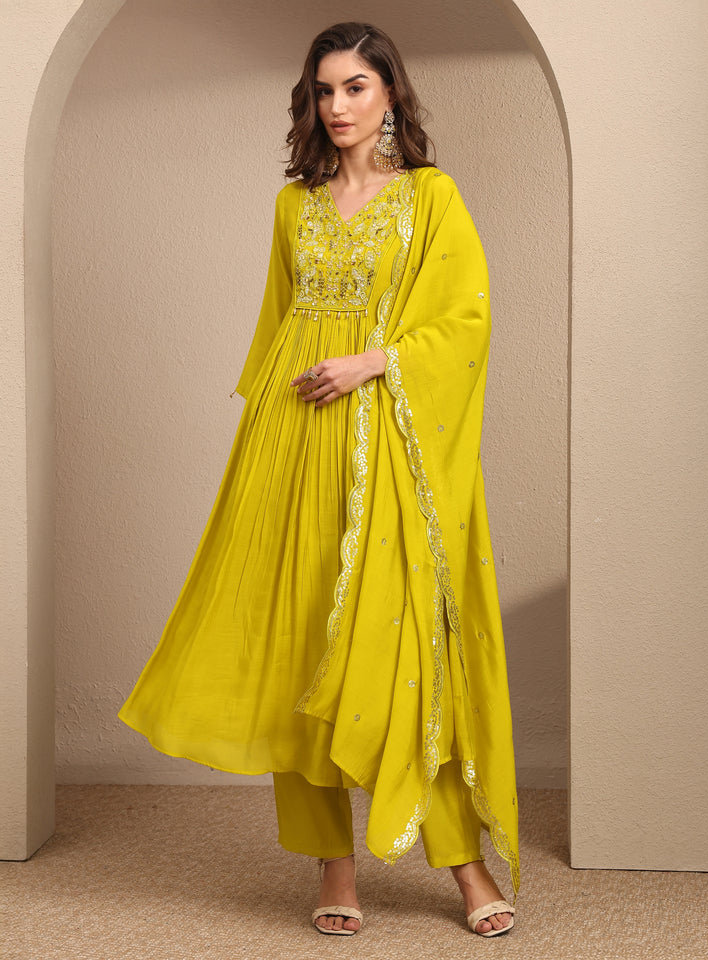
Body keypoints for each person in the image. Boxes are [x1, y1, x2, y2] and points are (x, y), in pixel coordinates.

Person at [118, 21, 519, 938]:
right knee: (304, 646)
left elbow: (466, 323)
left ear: (391, 94)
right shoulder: (292, 206)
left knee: (408, 650)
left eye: (356, 88)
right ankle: (334, 867)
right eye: (325, 90)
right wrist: (264, 450)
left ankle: (464, 864)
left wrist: (373, 362)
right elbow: (276, 331)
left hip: (390, 443)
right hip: (295, 442)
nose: (338, 106)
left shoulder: (430, 197)